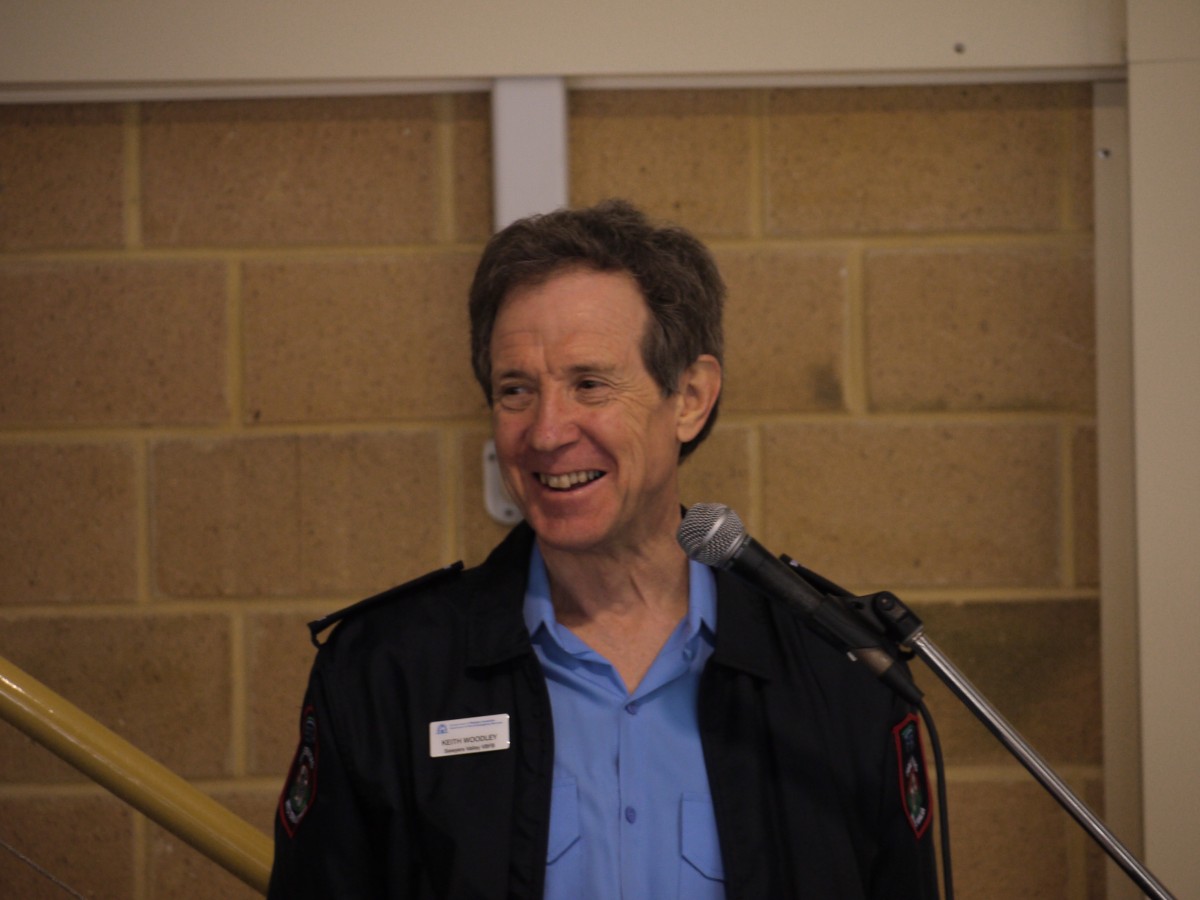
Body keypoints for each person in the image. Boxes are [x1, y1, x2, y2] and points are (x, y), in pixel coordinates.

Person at [268, 199, 939, 898]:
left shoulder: (839, 670)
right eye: (516, 390)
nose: (546, 431)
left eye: (589, 385)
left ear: (690, 397)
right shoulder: (388, 673)